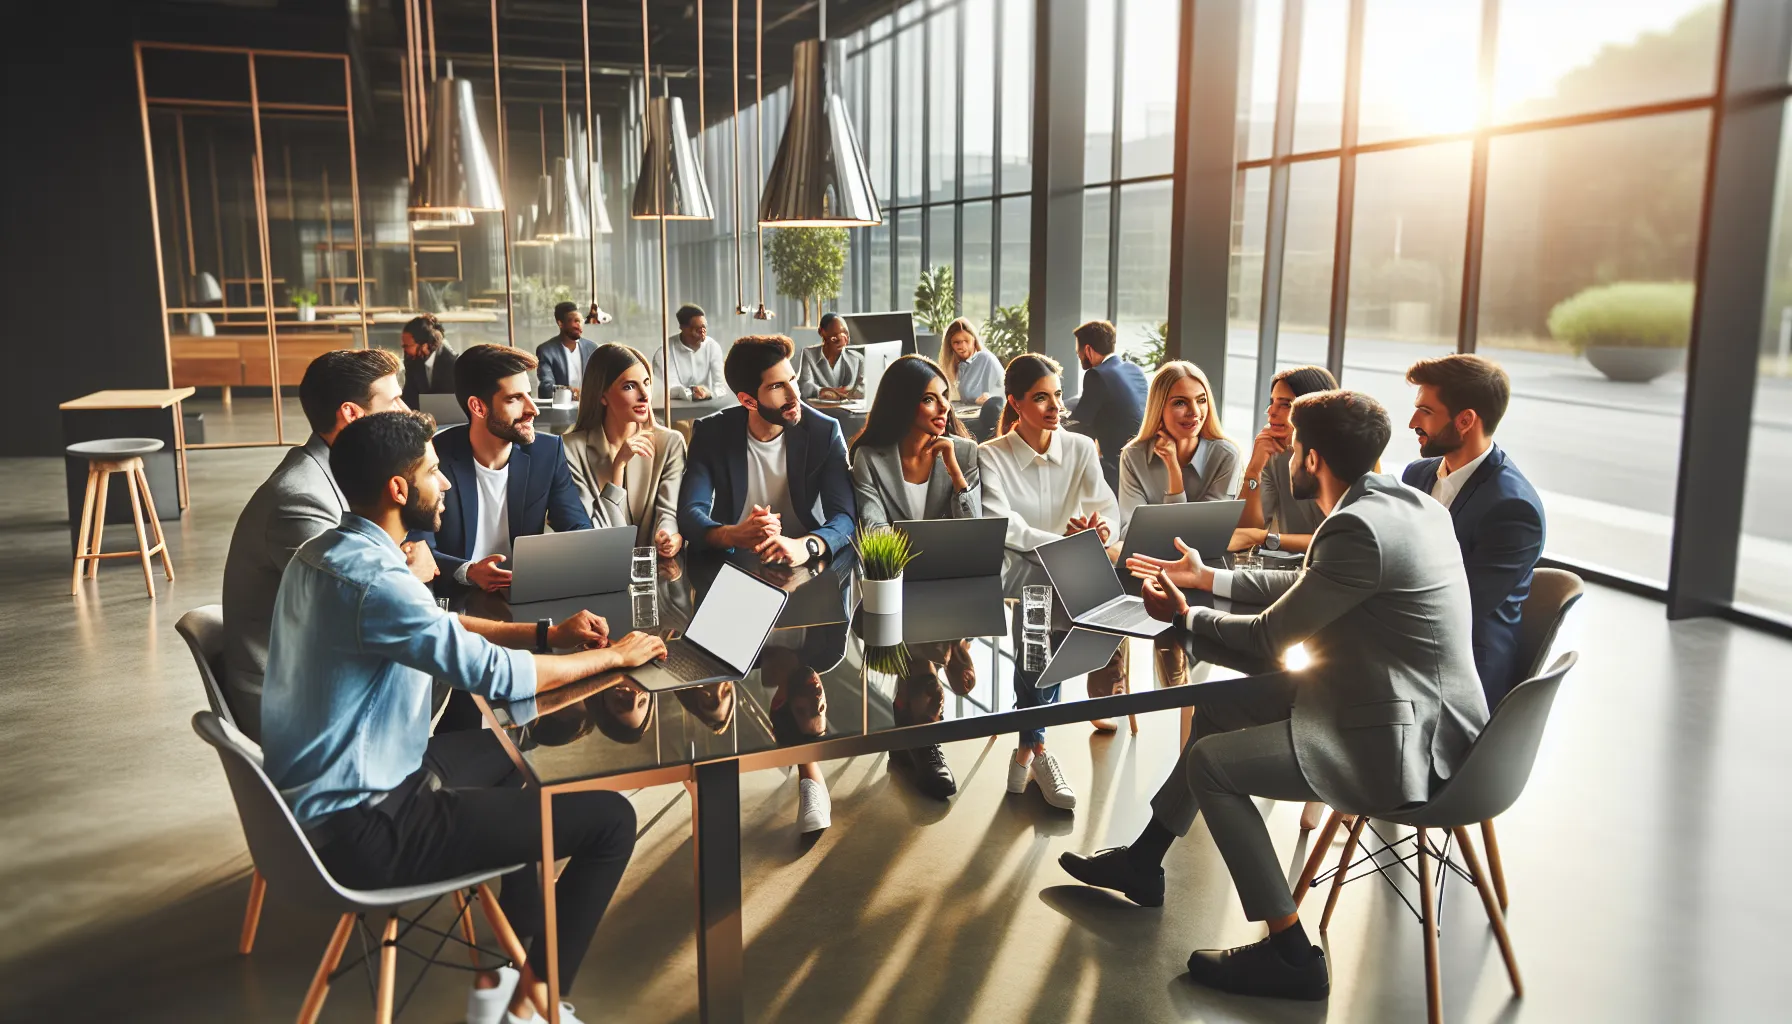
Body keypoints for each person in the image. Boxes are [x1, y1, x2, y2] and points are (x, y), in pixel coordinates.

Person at [1071, 390, 1487, 1002]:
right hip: (1406, 704)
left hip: (1401, 743)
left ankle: (1291, 953)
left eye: (1293, 445)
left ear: (1311, 458)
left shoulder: (1356, 528)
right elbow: (1307, 584)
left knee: (1213, 765)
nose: (1287, 454)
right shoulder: (1407, 505)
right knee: (1217, 707)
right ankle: (1143, 862)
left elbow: (1271, 639)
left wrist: (1186, 620)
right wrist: (1208, 578)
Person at [261, 410, 666, 1024]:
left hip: (331, 792)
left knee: (511, 756)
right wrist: (615, 656)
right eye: (432, 472)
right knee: (611, 820)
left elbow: (440, 627)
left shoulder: (325, 553)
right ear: (399, 489)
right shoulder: (378, 582)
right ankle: (535, 1004)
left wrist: (544, 633)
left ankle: (520, 954)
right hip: (366, 825)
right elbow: (498, 677)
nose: (445, 482)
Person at [221, 349, 427, 740]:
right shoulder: (302, 498)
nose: (405, 409)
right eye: (393, 400)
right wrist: (410, 572)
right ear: (352, 414)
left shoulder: (340, 474)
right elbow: (359, 611)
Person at [978, 353, 1119, 812]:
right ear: (1016, 403)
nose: (1055, 406)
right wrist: (1063, 539)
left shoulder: (1079, 448)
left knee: (1053, 638)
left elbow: (1107, 507)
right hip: (1020, 571)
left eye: (1058, 395)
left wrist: (1101, 531)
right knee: (1037, 625)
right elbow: (1005, 527)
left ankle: (1027, 747)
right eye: (1041, 397)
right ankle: (1038, 750)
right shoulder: (990, 455)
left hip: (1074, 569)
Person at [1403, 354, 1546, 706]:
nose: (1412, 422)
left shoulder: (1513, 509)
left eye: (1426, 411)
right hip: (1407, 646)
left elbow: (1458, 609)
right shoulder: (1416, 475)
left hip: (1465, 676)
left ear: (1465, 420)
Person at [421, 344, 592, 593]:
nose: (532, 409)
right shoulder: (435, 456)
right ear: (478, 407)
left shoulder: (548, 451)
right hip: (457, 599)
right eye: (515, 399)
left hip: (525, 594)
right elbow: (419, 547)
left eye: (529, 395)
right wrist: (468, 571)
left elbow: (577, 530)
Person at [677, 335, 857, 567]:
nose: (794, 395)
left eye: (792, 379)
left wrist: (805, 545)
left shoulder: (824, 431)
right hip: (731, 564)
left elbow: (845, 516)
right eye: (777, 386)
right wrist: (734, 534)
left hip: (803, 562)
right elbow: (690, 512)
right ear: (748, 401)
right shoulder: (712, 432)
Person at [562, 343, 687, 556]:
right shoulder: (569, 449)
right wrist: (618, 467)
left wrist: (668, 535)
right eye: (629, 386)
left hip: (657, 573)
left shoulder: (670, 443)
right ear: (602, 395)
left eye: (646, 383)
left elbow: (669, 511)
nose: (644, 396)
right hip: (599, 573)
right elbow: (598, 535)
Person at [849, 354, 987, 530]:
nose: (944, 406)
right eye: (928, 399)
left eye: (944, 395)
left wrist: (954, 472)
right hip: (894, 558)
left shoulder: (965, 452)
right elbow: (874, 529)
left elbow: (974, 531)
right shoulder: (869, 459)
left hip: (953, 558)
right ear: (901, 404)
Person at [1116, 360, 1241, 540]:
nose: (1195, 412)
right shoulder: (1133, 456)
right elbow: (1130, 534)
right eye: (1180, 403)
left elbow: (1208, 535)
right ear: (1159, 407)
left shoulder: (1226, 456)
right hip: (1147, 564)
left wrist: (1173, 469)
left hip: (1206, 566)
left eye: (1201, 400)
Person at [1232, 365, 1337, 555]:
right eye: (1272, 402)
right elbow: (1244, 535)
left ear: (1316, 409)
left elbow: (1340, 542)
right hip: (1290, 569)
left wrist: (1268, 539)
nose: (1271, 412)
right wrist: (1254, 470)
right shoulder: (1274, 455)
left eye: (1286, 404)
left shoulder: (1352, 456)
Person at [1064, 320, 1149, 494]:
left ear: (1088, 350)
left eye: (1078, 352)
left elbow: (1081, 421)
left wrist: (1057, 421)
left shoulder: (1096, 375)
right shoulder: (1134, 370)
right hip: (1145, 461)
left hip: (1117, 467)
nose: (1079, 357)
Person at [651, 303, 727, 401]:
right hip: (676, 410)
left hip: (708, 408)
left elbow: (720, 385)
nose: (702, 333)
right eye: (697, 328)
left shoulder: (712, 346)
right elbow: (670, 388)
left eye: (704, 327)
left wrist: (709, 394)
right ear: (683, 327)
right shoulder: (664, 352)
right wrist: (691, 393)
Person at [535, 301, 600, 400]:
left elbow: (601, 381)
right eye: (574, 321)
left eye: (580, 321)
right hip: (562, 411)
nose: (579, 325)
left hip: (591, 408)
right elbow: (546, 388)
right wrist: (573, 393)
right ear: (560, 323)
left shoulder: (592, 348)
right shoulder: (546, 351)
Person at [797, 312, 864, 401]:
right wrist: (822, 391)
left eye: (844, 333)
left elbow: (864, 387)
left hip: (847, 408)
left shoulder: (857, 359)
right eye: (834, 335)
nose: (840, 339)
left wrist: (851, 394)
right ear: (822, 332)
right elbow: (804, 385)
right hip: (820, 408)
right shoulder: (809, 354)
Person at [937, 317, 1003, 407]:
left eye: (966, 341)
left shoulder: (985, 359)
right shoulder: (948, 367)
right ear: (950, 345)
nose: (962, 346)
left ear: (974, 340)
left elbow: (1002, 393)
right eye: (957, 342)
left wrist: (988, 398)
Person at [399, 313, 456, 408]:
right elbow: (409, 397)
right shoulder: (412, 362)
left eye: (407, 346)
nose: (405, 350)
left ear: (425, 346)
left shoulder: (453, 364)